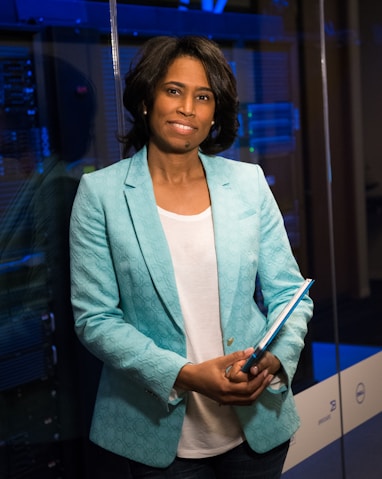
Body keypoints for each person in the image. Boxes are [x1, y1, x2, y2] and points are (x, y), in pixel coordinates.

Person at [69, 35, 314, 479]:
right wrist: (186, 374)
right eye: (173, 91)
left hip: (256, 426)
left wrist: (275, 360)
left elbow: (290, 294)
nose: (188, 108)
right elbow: (95, 318)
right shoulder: (100, 194)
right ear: (146, 100)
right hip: (155, 434)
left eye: (203, 97)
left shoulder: (247, 182)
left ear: (214, 111)